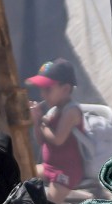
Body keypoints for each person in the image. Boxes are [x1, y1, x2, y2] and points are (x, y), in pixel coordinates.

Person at [26, 59, 89, 196]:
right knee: (23, 173)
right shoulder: (54, 111)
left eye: (48, 89)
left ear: (65, 89)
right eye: (41, 89)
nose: (42, 94)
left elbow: (58, 139)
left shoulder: (71, 112)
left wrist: (41, 122)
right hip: (49, 167)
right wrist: (36, 122)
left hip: (66, 172)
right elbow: (41, 141)